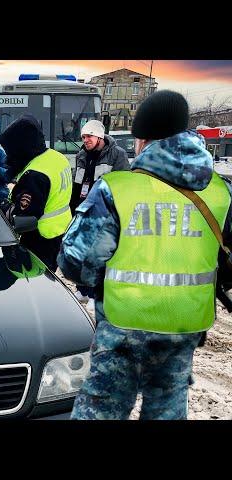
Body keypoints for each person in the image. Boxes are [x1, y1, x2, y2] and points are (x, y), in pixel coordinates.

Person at [57, 90, 232, 420]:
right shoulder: (221, 191)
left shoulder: (118, 189)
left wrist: (100, 285)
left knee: (102, 408)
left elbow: (76, 261)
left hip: (124, 326)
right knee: (167, 408)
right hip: (185, 324)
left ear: (142, 138)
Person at [0, 115, 72, 272]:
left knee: (36, 282)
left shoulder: (35, 175)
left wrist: (3, 208)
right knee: (50, 276)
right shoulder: (57, 157)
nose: (9, 154)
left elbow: (23, 218)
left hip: (39, 238)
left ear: (21, 146)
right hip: (60, 231)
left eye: (11, 149)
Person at [71, 119, 130, 309]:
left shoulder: (117, 155)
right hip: (83, 211)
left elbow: (123, 185)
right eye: (83, 136)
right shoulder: (81, 155)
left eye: (89, 136)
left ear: (99, 136)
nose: (85, 140)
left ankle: (97, 294)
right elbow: (76, 185)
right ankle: (82, 290)